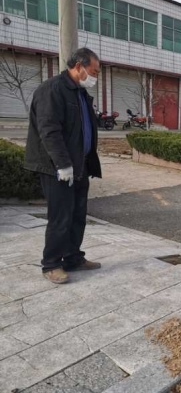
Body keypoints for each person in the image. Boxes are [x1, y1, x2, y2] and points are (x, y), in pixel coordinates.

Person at [24, 48, 103, 284]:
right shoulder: (53, 90)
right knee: (61, 216)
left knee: (78, 214)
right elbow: (49, 131)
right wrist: (63, 164)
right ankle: (51, 264)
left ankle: (73, 257)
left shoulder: (79, 93)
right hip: (57, 169)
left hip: (80, 166)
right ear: (79, 66)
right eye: (93, 71)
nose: (95, 77)